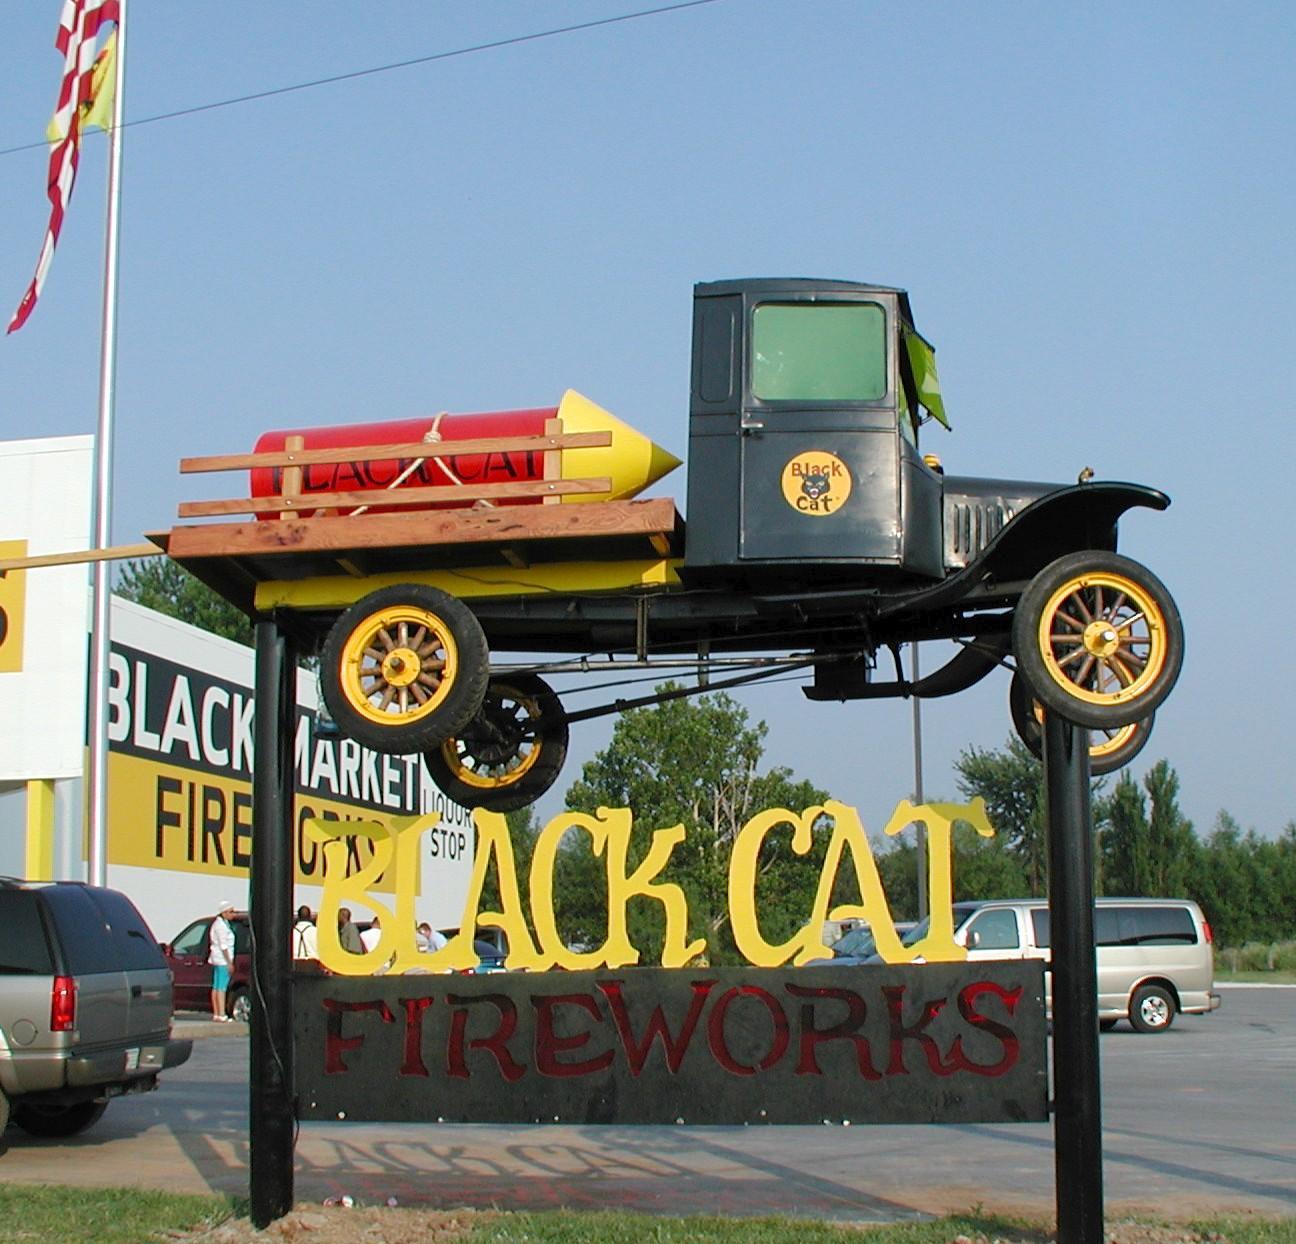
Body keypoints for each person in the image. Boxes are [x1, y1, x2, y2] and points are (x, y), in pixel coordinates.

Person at [209, 901, 237, 1022]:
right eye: (231, 911)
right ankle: (221, 1013)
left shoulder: (221, 924)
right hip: (222, 960)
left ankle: (217, 1013)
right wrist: (229, 962)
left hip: (218, 958)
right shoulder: (220, 926)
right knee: (221, 987)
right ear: (224, 913)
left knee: (216, 986)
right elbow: (223, 946)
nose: (233, 914)